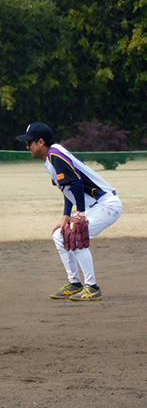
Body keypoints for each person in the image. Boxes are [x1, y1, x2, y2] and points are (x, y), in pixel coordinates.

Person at [17, 122, 123, 301]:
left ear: (41, 142)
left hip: (106, 204)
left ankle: (92, 287)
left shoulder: (56, 155)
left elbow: (76, 182)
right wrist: (66, 216)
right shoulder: (51, 159)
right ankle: (75, 283)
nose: (28, 147)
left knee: (75, 234)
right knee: (59, 235)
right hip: (96, 206)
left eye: (30, 143)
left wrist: (79, 213)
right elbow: (68, 189)